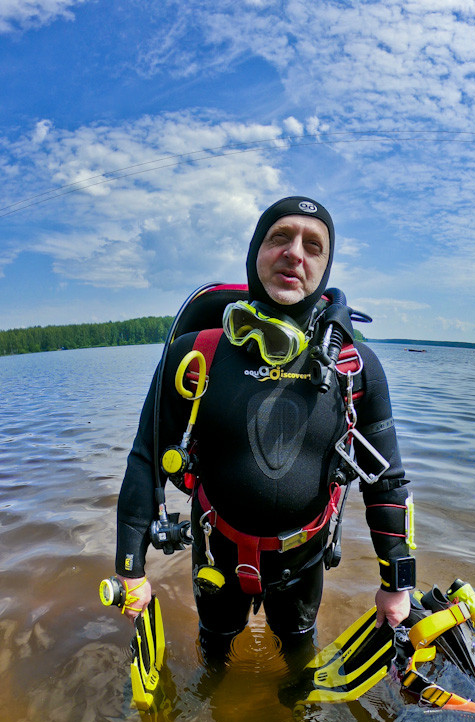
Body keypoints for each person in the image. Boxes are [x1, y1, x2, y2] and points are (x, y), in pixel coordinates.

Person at [114, 196, 415, 659]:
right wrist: (130, 569)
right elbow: (145, 457)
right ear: (256, 251)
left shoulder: (355, 369)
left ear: (326, 268)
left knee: (299, 656)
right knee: (213, 650)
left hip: (304, 557)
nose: (295, 252)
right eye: (280, 237)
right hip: (217, 548)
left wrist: (396, 585)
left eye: (313, 246)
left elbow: (387, 480)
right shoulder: (194, 356)